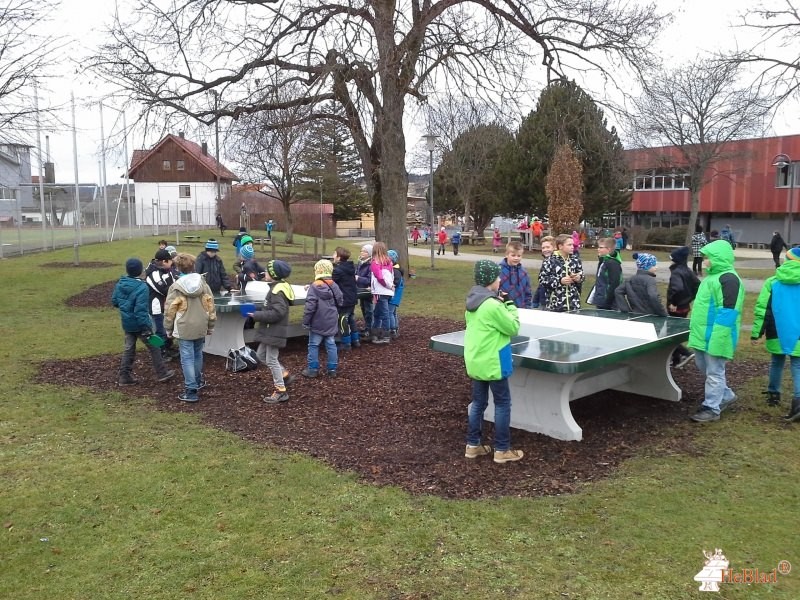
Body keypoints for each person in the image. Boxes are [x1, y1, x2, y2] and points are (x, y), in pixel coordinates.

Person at [463, 259, 523, 463]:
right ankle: (502, 449)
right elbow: (513, 327)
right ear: (491, 281)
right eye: (497, 277)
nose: (500, 280)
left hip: (476, 360)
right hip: (494, 361)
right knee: (502, 403)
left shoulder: (472, 301)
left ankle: (473, 446)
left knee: (478, 403)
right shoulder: (492, 305)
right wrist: (510, 304)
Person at [687, 240, 745, 423]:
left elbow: (728, 311)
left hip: (716, 337)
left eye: (707, 257)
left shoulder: (729, 279)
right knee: (705, 368)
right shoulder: (712, 277)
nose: (704, 260)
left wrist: (718, 340)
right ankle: (725, 395)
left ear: (718, 258)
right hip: (703, 335)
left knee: (714, 372)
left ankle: (712, 408)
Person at [751, 247, 800, 420]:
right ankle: (798, 402)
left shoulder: (772, 281)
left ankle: (773, 394)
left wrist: (756, 333)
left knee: (777, 362)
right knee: (797, 365)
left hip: (777, 329)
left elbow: (763, 309)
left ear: (786, 260)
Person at [111, 258, 175, 387]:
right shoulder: (142, 286)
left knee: (129, 349)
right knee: (155, 346)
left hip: (127, 323)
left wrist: (126, 307)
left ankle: (124, 376)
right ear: (140, 271)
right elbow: (140, 310)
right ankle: (162, 373)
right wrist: (146, 328)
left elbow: (115, 301)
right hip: (140, 324)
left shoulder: (120, 283)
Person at [164, 253, 216, 402]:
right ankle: (198, 381)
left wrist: (168, 328)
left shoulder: (176, 287)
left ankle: (191, 389)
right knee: (198, 353)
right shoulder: (203, 284)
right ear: (193, 266)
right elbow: (211, 305)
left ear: (178, 267)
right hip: (201, 324)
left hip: (184, 326)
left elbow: (170, 309)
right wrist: (211, 325)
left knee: (187, 357)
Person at [248, 260, 296, 403]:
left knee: (271, 359)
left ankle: (281, 390)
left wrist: (256, 315)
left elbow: (277, 313)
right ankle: (284, 375)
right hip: (270, 330)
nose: (265, 273)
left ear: (274, 275)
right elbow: (271, 309)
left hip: (274, 330)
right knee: (261, 355)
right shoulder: (277, 287)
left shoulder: (277, 291)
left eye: (268, 272)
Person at [302, 259, 343, 378]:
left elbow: (310, 306)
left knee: (313, 345)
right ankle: (332, 369)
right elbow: (340, 300)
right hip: (331, 319)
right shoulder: (333, 284)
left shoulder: (314, 286)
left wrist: (306, 321)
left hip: (317, 320)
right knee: (331, 343)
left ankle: (313, 369)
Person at [666, 246, 700, 368]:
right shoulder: (688, 271)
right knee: (675, 334)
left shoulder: (676, 272)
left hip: (676, 308)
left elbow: (677, 288)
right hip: (685, 307)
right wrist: (689, 298)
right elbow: (697, 285)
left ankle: (685, 353)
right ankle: (676, 359)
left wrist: (674, 302)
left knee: (670, 336)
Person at [145, 248, 179, 360]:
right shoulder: (153, 274)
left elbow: (173, 283)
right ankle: (160, 353)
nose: (172, 263)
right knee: (159, 330)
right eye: (170, 261)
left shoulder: (166, 271)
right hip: (156, 307)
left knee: (169, 329)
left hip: (166, 306)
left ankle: (167, 348)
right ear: (164, 261)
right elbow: (164, 290)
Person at [539, 234, 584, 312]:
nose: (572, 247)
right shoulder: (549, 260)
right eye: (569, 245)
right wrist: (560, 281)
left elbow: (582, 276)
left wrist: (578, 277)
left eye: (572, 244)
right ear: (560, 246)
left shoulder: (575, 260)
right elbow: (542, 279)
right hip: (556, 304)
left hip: (574, 303)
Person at [332, 246, 359, 349]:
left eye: (334, 254)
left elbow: (330, 282)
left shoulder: (338, 270)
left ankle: (346, 342)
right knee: (351, 318)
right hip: (352, 297)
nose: (333, 255)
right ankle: (355, 340)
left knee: (342, 319)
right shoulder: (350, 268)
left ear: (338, 257)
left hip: (344, 299)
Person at [370, 242, 396, 344]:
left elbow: (379, 277)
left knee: (384, 314)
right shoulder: (389, 262)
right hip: (388, 292)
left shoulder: (375, 263)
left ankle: (385, 336)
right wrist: (391, 286)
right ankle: (375, 334)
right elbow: (391, 276)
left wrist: (388, 285)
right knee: (377, 313)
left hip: (380, 292)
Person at [586, 237, 622, 310]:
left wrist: (607, 300)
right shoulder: (604, 261)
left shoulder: (612, 263)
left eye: (601, 247)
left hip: (608, 302)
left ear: (608, 249)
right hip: (601, 299)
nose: (598, 249)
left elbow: (614, 283)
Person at [498, 240, 532, 309]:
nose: (516, 258)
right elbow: (493, 290)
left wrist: (527, 306)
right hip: (503, 308)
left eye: (519, 256)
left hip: (520, 308)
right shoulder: (498, 271)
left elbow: (528, 292)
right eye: (513, 255)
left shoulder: (524, 273)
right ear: (507, 255)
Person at [355, 243, 374, 342]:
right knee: (363, 309)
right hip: (360, 290)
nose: (362, 253)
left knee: (369, 310)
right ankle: (367, 327)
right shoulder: (360, 262)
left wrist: (359, 278)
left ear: (369, 253)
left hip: (368, 291)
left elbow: (370, 280)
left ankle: (370, 329)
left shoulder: (371, 265)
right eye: (361, 251)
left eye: (364, 251)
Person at [532, 235, 555, 308]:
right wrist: (536, 298)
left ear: (554, 247)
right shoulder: (545, 261)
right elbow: (541, 282)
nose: (545, 250)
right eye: (543, 248)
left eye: (548, 247)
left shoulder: (556, 262)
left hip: (553, 298)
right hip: (544, 297)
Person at [387, 249, 405, 338]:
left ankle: (392, 329)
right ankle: (395, 328)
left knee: (390, 313)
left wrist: (389, 285)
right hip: (395, 295)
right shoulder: (396, 269)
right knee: (393, 312)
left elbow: (396, 283)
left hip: (394, 295)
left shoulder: (395, 271)